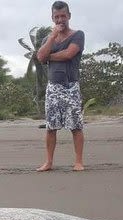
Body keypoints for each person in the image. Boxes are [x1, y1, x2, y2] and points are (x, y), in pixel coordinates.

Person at [35, 1, 85, 172]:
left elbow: (69, 54)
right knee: (51, 127)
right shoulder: (47, 39)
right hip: (53, 88)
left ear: (69, 16)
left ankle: (78, 162)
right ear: (52, 18)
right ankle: (48, 162)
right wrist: (51, 38)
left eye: (63, 16)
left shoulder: (78, 35)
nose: (60, 20)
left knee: (76, 126)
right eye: (57, 17)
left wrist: (49, 56)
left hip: (71, 86)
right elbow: (40, 56)